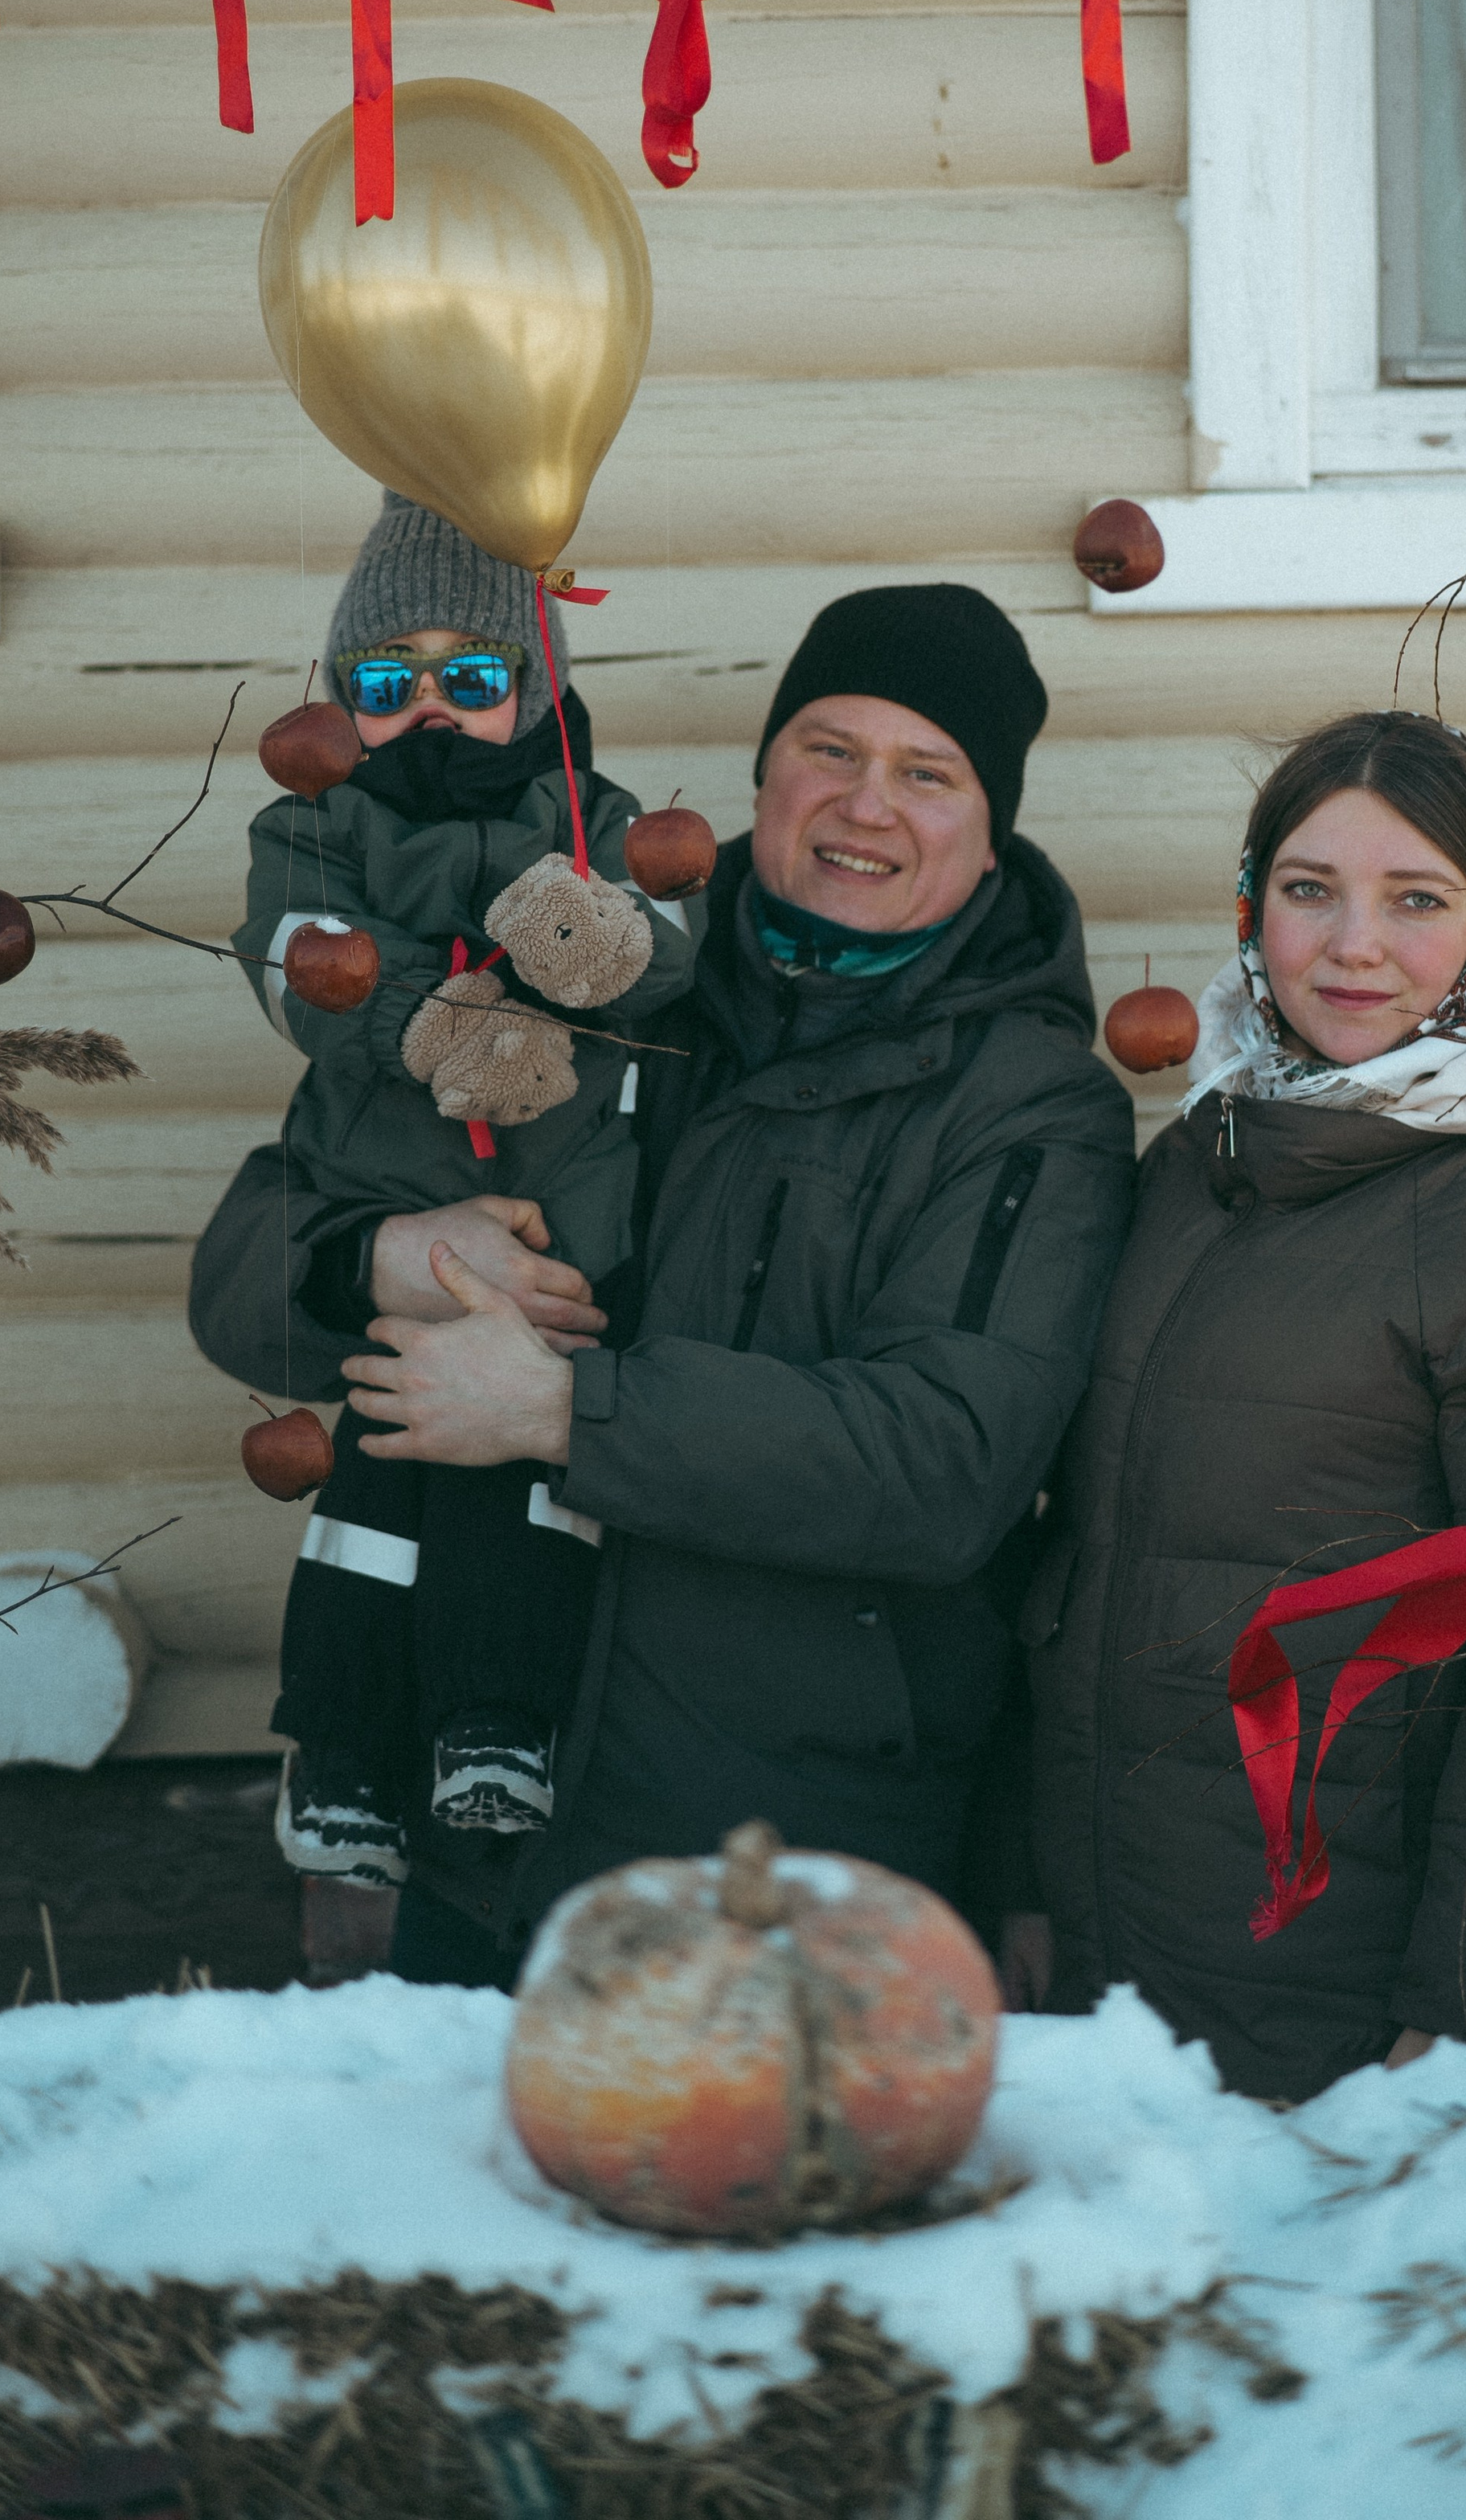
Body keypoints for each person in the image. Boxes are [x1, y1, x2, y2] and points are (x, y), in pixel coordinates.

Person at [190, 582, 1137, 1985]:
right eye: (829, 748)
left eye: (927, 773)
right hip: (493, 1822)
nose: (867, 804)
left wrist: (568, 1409)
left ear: (989, 829)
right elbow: (238, 1282)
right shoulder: (605, 975)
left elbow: (944, 1467)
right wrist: (376, 1257)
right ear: (764, 776)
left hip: (793, 1855)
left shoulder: (1030, 1106)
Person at [1026, 710, 1466, 2102]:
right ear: (1252, 904)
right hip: (1128, 1955)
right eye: (1308, 890)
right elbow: (1091, 1558)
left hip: (1356, 2004)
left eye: (1417, 901)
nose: (1352, 948)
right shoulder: (1211, 1157)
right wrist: (1024, 1877)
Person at [227, 491, 699, 1888]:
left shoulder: (601, 819)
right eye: (388, 682)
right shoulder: (316, 828)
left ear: (536, 687)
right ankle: (345, 1751)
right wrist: (420, 1021)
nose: (429, 707)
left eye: (472, 678)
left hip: (561, 1241)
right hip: (396, 1224)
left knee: (519, 1492)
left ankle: (498, 1724)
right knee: (371, 1500)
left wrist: (602, 942)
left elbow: (670, 942)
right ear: (344, 702)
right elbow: (293, 958)